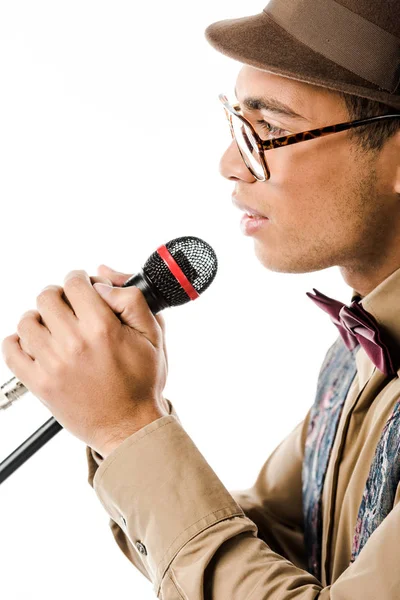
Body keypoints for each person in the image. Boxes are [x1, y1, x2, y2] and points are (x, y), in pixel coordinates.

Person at [2, 1, 400, 598]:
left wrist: (129, 431)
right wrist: (119, 407)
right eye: (235, 123)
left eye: (268, 131)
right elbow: (274, 544)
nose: (230, 164)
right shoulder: (359, 355)